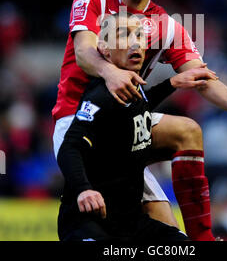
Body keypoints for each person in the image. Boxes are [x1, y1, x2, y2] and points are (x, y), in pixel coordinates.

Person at [52, 0, 227, 241]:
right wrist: (109, 72)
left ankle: (201, 239)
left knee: (187, 134)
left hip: (126, 130)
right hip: (80, 122)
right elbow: (84, 51)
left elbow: (201, 75)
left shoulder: (166, 25)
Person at [57, 12, 207, 242]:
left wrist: (172, 83)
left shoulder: (131, 90)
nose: (135, 42)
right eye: (124, 35)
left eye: (139, 35)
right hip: (89, 223)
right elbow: (70, 146)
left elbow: (138, 106)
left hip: (130, 223)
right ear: (104, 49)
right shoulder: (100, 96)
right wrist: (83, 189)